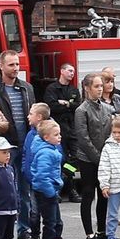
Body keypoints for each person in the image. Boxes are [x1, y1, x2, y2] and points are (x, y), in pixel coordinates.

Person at [0, 50, 35, 239]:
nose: (16, 68)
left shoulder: (26, 88)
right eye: (11, 65)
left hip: (25, 143)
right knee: (8, 189)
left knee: (25, 189)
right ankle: (6, 229)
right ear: (1, 66)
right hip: (6, 145)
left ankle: (24, 228)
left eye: (17, 64)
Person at [74, 73, 113, 239]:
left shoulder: (106, 108)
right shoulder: (81, 110)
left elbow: (110, 133)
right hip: (87, 159)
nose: (100, 89)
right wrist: (98, 158)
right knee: (88, 193)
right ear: (87, 88)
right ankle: (89, 235)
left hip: (104, 157)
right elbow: (83, 138)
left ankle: (102, 231)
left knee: (104, 194)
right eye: (96, 86)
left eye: (100, 86)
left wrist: (107, 156)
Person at [30, 120, 73, 239]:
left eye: (59, 134)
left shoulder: (51, 149)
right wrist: (49, 192)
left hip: (51, 190)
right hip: (45, 192)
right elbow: (41, 176)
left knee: (57, 221)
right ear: (46, 137)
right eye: (56, 135)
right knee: (50, 222)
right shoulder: (45, 153)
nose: (60, 137)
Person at [43, 63, 82, 203]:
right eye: (70, 70)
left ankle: (66, 175)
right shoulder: (52, 89)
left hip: (72, 130)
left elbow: (78, 106)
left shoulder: (73, 90)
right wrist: (67, 106)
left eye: (73, 71)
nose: (72, 73)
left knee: (76, 158)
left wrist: (66, 104)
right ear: (62, 71)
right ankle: (69, 190)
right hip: (57, 131)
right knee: (60, 159)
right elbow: (51, 107)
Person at [22, 103, 51, 239]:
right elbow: (26, 154)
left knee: (48, 212)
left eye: (30, 113)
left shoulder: (51, 133)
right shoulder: (30, 134)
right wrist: (25, 170)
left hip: (46, 182)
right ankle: (35, 237)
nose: (27, 116)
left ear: (39, 117)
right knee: (34, 211)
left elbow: (58, 155)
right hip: (32, 180)